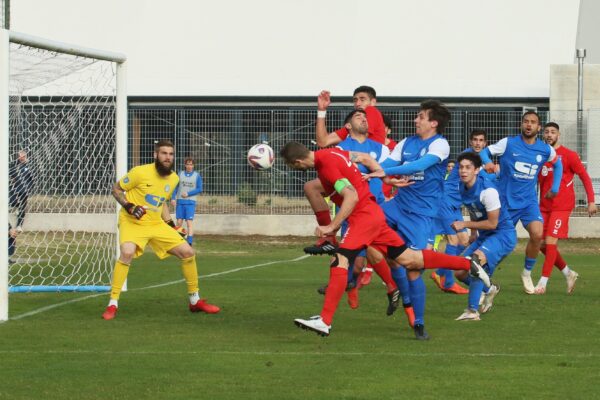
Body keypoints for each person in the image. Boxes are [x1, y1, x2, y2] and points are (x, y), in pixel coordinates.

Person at [280, 141, 489, 338]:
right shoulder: (332, 153)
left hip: (363, 217)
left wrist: (331, 227)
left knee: (340, 260)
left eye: (292, 166)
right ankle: (467, 263)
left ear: (296, 163)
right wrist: (384, 178)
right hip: (374, 215)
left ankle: (324, 321)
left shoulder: (326, 164)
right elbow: (362, 158)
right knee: (410, 259)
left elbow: (350, 196)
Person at [102, 140, 219, 320]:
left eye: (171, 154)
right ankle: (112, 304)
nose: (168, 157)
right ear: (155, 155)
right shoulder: (139, 172)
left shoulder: (173, 178)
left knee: (188, 252)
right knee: (127, 252)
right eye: (164, 153)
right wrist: (129, 206)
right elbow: (116, 189)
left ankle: (195, 301)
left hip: (156, 224)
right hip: (132, 222)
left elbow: (161, 202)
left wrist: (172, 226)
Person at [366, 100, 454, 339]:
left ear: (433, 123)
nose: (416, 120)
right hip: (396, 206)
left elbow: (419, 165)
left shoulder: (440, 144)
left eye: (421, 117)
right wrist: (369, 171)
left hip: (421, 216)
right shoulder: (406, 142)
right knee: (366, 233)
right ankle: (399, 294)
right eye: (417, 116)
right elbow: (387, 165)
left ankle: (419, 323)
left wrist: (385, 173)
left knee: (413, 269)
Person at [479, 111, 563, 294]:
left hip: (529, 203)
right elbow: (485, 151)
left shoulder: (545, 149)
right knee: (499, 244)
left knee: (537, 234)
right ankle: (484, 279)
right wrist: (487, 162)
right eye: (526, 121)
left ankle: (526, 273)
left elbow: (558, 164)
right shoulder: (508, 143)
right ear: (521, 124)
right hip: (506, 203)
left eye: (533, 122)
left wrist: (555, 187)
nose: (529, 125)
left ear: (538, 127)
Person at [451, 152, 517, 321]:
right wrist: (473, 234)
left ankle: (472, 311)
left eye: (468, 167)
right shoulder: (462, 186)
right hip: (485, 236)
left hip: (502, 235)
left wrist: (465, 225)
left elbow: (492, 224)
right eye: (461, 167)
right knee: (459, 271)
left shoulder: (488, 191)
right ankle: (489, 289)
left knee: (475, 262)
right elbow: (475, 210)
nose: (463, 171)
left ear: (477, 170)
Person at [534, 122, 597, 294]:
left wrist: (591, 201)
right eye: (546, 132)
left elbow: (584, 176)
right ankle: (568, 273)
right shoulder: (540, 156)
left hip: (562, 206)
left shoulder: (569, 155)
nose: (549, 135)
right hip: (544, 206)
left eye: (553, 132)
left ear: (558, 135)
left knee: (551, 241)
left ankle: (542, 283)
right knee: (540, 244)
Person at [431, 130, 490, 294]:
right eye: (475, 140)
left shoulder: (480, 161)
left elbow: (473, 201)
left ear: (485, 143)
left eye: (481, 140)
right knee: (453, 241)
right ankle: (448, 282)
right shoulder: (468, 157)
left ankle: (439, 273)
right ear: (471, 142)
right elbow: (485, 177)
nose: (478, 143)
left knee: (464, 241)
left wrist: (473, 231)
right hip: (446, 201)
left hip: (455, 205)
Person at [315, 86, 387, 148]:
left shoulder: (371, 110)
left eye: (362, 99)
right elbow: (323, 142)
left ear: (373, 102)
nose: (358, 104)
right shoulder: (352, 126)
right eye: (355, 100)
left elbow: (361, 137)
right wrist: (321, 110)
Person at [171, 158, 203, 246]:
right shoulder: (180, 174)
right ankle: (179, 239)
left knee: (189, 222)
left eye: (191, 164)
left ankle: (189, 241)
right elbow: (175, 187)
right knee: (179, 222)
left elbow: (200, 189)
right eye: (188, 164)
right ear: (185, 165)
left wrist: (188, 194)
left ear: (193, 166)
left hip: (190, 202)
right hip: (180, 202)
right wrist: (173, 198)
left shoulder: (197, 176)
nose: (189, 166)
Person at [9, 150, 34, 230]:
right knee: (12, 203)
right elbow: (10, 174)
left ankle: (19, 226)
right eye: (20, 156)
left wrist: (29, 189)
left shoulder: (29, 166)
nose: (21, 158)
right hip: (15, 190)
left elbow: (32, 180)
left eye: (23, 156)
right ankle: (16, 207)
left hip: (24, 191)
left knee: (22, 207)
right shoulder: (14, 166)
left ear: (25, 157)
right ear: (18, 156)